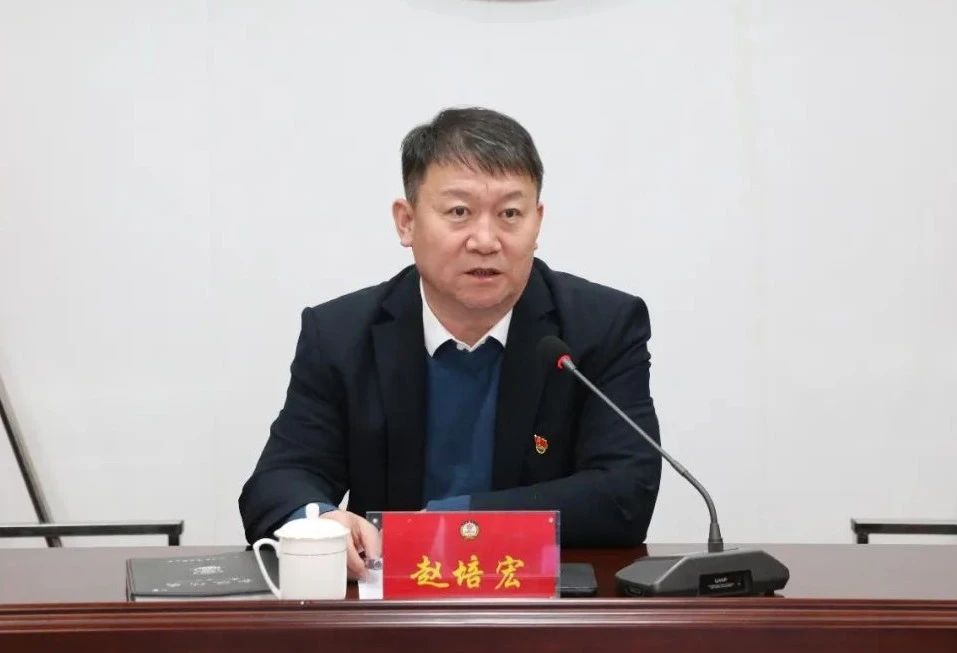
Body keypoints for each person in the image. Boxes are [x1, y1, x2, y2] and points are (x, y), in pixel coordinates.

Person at [239, 107, 662, 579]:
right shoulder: (341, 334)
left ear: (537, 223)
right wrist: (321, 523)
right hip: (390, 611)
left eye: (510, 214)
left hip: (539, 606)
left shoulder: (601, 327)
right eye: (459, 212)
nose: (485, 240)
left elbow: (625, 493)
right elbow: (278, 481)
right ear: (406, 222)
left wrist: (454, 521)